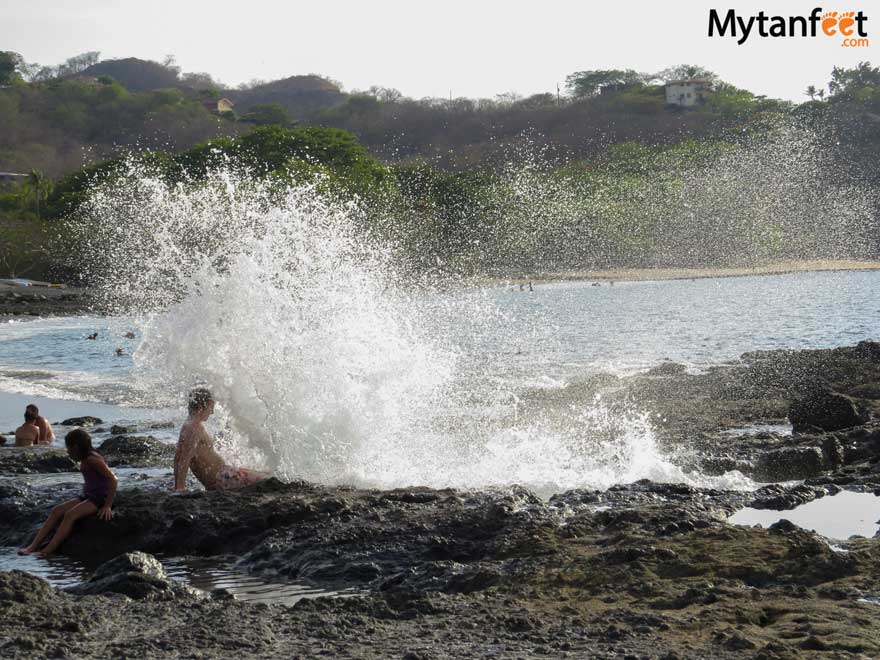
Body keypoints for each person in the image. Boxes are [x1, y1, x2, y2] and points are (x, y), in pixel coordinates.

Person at [19, 429, 117, 558]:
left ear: (75, 447)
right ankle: (32, 547)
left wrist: (107, 506)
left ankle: (47, 550)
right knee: (57, 510)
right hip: (88, 495)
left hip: (100, 498)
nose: (67, 451)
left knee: (70, 515)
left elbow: (113, 480)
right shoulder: (86, 457)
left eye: (68, 448)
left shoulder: (93, 459)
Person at [173, 388, 267, 491]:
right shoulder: (193, 428)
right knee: (267, 480)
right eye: (210, 407)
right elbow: (184, 459)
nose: (212, 412)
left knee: (265, 475)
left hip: (225, 476)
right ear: (200, 407)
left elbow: (178, 457)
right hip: (223, 479)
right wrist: (180, 488)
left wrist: (177, 485)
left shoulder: (188, 426)